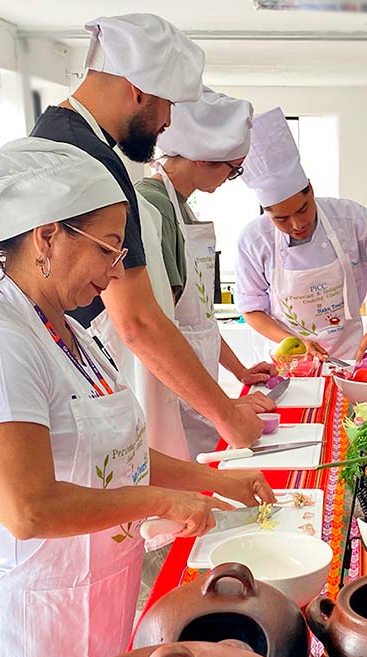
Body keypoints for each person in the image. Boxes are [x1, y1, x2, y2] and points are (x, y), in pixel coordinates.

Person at [0, 138, 274, 657]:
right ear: (47, 237)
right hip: (21, 614)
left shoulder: (68, 332)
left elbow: (117, 453)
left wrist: (214, 479)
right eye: (108, 249)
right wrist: (162, 502)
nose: (115, 272)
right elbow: (28, 509)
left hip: (84, 596)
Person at [30, 13, 267, 458]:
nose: (170, 122)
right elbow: (136, 322)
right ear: (138, 90)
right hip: (89, 386)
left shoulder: (58, 138)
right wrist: (227, 416)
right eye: (168, 104)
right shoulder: (92, 164)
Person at [137, 87, 277, 458]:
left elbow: (199, 322)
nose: (229, 179)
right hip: (169, 395)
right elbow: (160, 330)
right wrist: (224, 408)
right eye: (233, 170)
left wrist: (240, 372)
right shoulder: (154, 208)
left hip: (194, 393)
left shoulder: (181, 208)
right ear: (203, 160)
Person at [236, 108, 367, 360]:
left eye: (302, 210)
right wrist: (296, 342)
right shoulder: (254, 239)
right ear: (267, 213)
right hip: (290, 359)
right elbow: (251, 309)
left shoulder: (348, 218)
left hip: (348, 357)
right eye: (281, 219)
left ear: (310, 190)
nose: (296, 224)